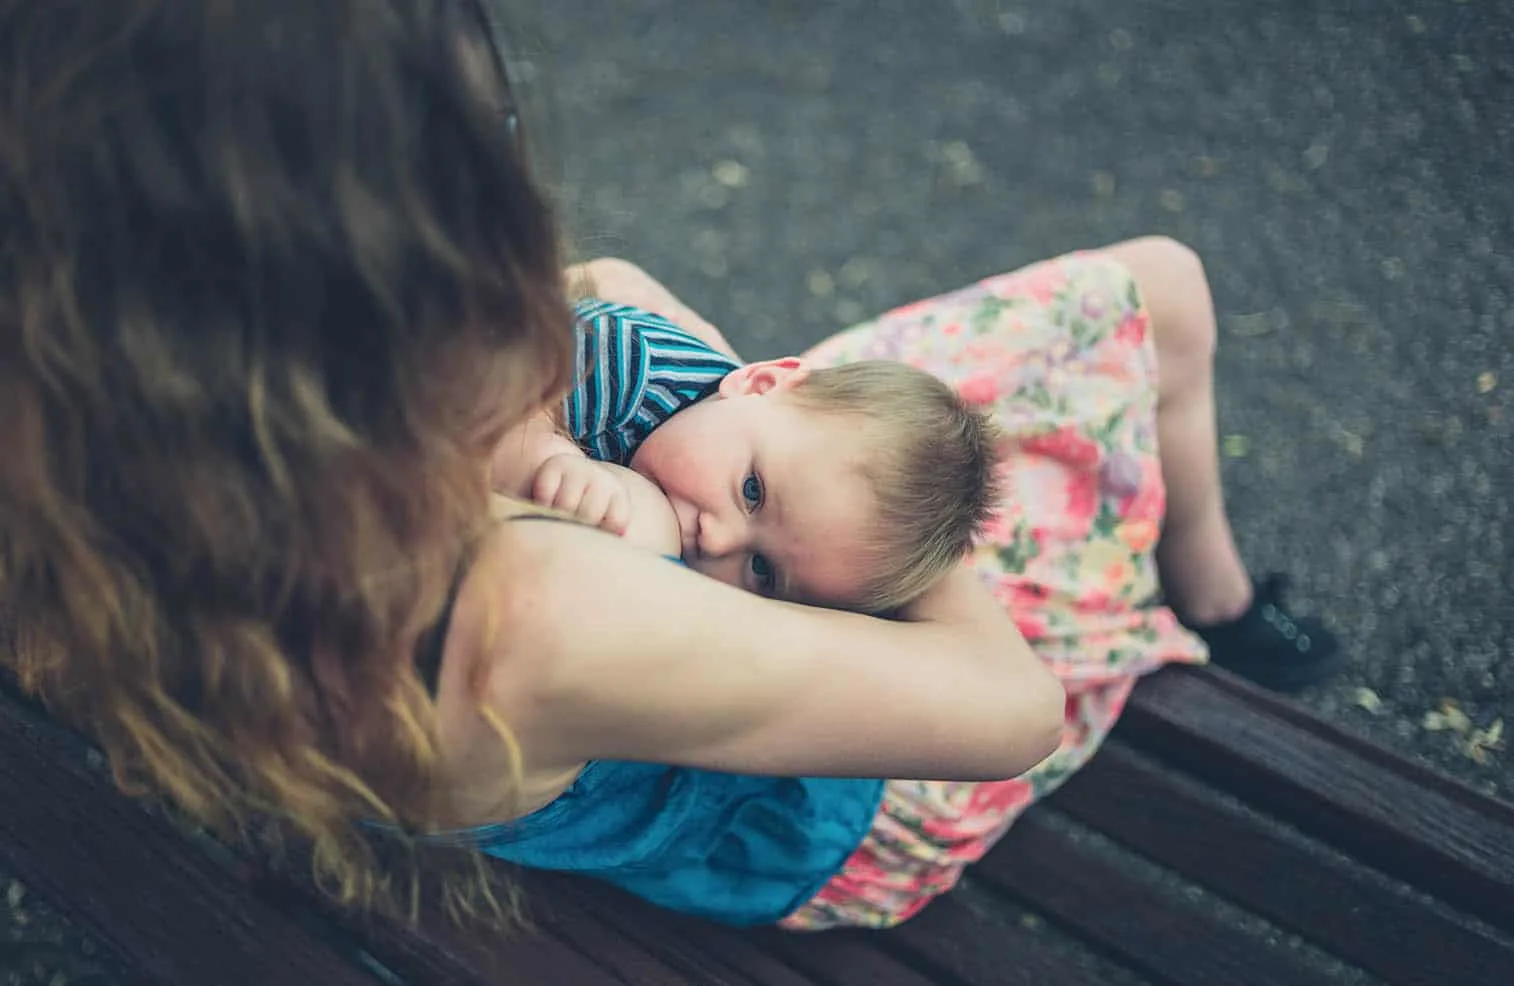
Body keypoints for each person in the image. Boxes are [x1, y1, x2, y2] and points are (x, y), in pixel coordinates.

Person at [0, 0, 1337, 936]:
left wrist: (733, 425)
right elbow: (1007, 708)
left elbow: (607, 293)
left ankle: (1204, 584)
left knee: (1147, 293)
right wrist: (864, 534)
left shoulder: (118, 475)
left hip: (762, 526)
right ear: (397, 306)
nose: (531, 215)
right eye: (492, 168)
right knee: (1154, 292)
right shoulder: (542, 605)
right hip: (851, 785)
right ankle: (1199, 606)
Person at [490, 296, 1002, 611]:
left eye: (762, 570)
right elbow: (476, 368)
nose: (716, 541)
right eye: (752, 492)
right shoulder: (625, 362)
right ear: (759, 382)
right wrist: (545, 453)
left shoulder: (749, 448)